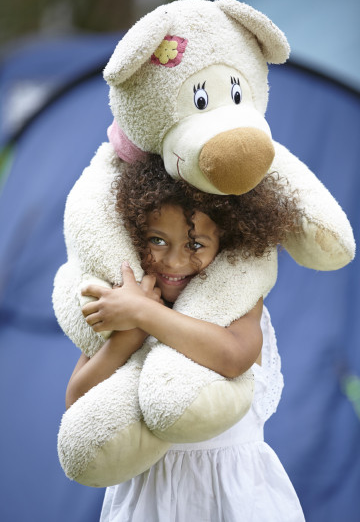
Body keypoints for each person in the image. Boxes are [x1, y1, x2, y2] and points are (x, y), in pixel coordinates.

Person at [66, 155, 306, 521]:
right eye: (156, 240)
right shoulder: (124, 304)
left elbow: (233, 356)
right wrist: (129, 334)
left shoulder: (237, 301)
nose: (174, 262)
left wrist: (146, 315)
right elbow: (77, 403)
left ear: (225, 241)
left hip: (233, 500)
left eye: (195, 245)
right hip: (148, 503)